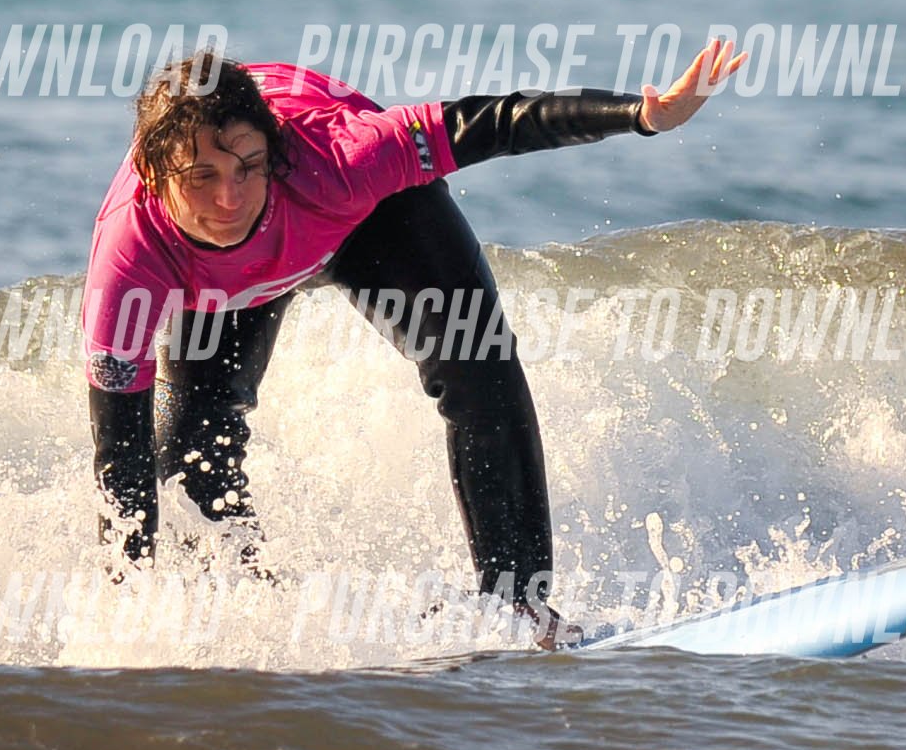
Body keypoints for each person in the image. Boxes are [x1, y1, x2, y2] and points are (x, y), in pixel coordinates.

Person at [83, 40, 743, 647]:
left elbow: (495, 123)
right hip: (213, 283)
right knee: (188, 444)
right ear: (153, 173)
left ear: (272, 154)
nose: (230, 197)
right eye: (201, 177)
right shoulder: (129, 256)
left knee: (477, 364)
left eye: (248, 168)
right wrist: (124, 624)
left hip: (364, 216)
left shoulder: (339, 156)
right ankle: (229, 612)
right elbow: (120, 457)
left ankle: (521, 608)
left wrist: (641, 115)